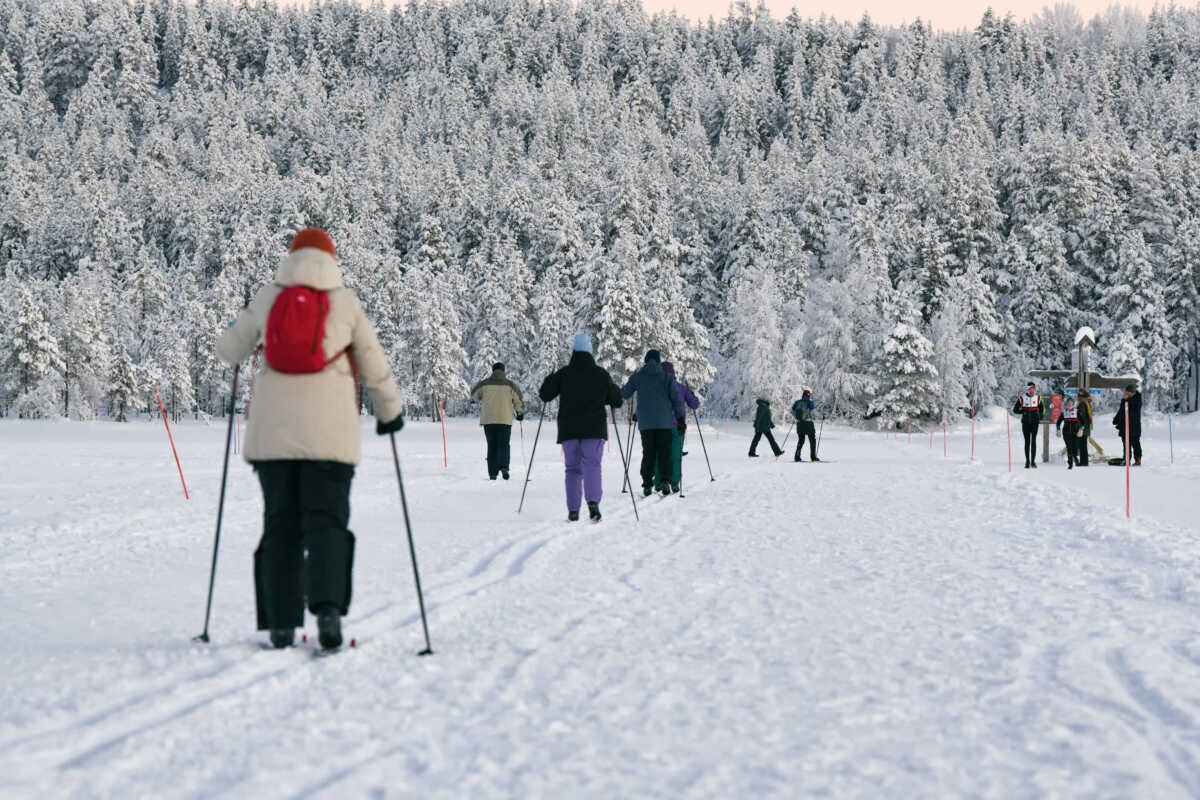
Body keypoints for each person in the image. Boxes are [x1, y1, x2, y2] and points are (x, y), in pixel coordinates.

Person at [216, 228, 404, 651]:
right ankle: (329, 614)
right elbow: (375, 366)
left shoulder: (270, 297)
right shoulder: (345, 303)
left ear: (292, 257)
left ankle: (281, 626)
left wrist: (238, 334)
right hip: (330, 441)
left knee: (280, 524)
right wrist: (390, 412)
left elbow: (228, 349)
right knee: (327, 523)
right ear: (331, 259)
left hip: (273, 440)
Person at [538, 333, 623, 522]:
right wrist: (613, 389)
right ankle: (593, 503)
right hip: (593, 430)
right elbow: (616, 401)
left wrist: (549, 378)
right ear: (590, 352)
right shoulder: (601, 374)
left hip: (569, 430)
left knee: (572, 469)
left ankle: (573, 510)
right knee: (592, 465)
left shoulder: (564, 373)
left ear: (574, 352)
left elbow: (545, 395)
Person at [622, 350, 686, 497]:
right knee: (665, 452)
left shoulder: (638, 377)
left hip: (646, 424)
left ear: (645, 361)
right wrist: (680, 419)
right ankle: (665, 480)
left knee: (648, 452)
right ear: (658, 361)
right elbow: (676, 400)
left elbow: (625, 393)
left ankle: (647, 483)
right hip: (665, 423)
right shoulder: (667, 378)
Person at [470, 362, 525, 481]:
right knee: (504, 444)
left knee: (492, 445)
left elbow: (474, 395)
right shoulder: (510, 385)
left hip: (489, 421)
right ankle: (504, 467)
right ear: (503, 371)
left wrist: (474, 400)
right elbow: (518, 399)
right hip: (505, 421)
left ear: (493, 370)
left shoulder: (485, 384)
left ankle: (493, 473)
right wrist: (519, 413)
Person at [653, 361, 700, 491]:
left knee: (659, 455)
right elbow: (695, 405)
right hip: (676, 427)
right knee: (675, 455)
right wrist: (692, 395)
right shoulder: (682, 388)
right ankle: (674, 481)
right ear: (674, 373)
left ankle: (658, 481)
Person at [1012, 382, 1044, 469]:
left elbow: (1042, 410)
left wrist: (1039, 417)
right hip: (1025, 423)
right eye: (1030, 389)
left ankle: (1033, 462)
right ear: (1027, 389)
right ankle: (1027, 461)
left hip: (1034, 423)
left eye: (1033, 389)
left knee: (1033, 441)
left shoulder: (1038, 398)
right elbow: (1015, 410)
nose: (1032, 391)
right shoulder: (1022, 398)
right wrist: (1023, 411)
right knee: (1027, 442)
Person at [1113, 384, 1143, 466]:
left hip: (1134, 427)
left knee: (1135, 444)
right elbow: (1121, 411)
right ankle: (1126, 459)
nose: (1126, 393)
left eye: (1128, 392)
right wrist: (1116, 419)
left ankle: (1138, 459)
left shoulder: (1136, 400)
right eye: (1126, 392)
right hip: (1125, 427)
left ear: (1132, 392)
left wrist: (1125, 400)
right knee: (1126, 445)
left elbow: (1131, 410)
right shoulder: (1125, 400)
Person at [791, 389, 819, 462]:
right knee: (812, 440)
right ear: (808, 395)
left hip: (799, 424)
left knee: (801, 440)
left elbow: (792, 410)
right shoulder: (809, 402)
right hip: (808, 423)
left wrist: (797, 417)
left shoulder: (797, 402)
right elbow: (813, 410)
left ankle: (797, 457)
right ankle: (813, 457)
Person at [1056, 395, 1083, 469]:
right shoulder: (1064, 412)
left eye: (1071, 403)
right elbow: (1058, 422)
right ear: (1066, 404)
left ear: (1073, 403)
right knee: (1069, 447)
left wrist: (1081, 429)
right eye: (1068, 403)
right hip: (1066, 433)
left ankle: (1075, 457)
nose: (1069, 404)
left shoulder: (1077, 411)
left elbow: (1083, 422)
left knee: (1075, 447)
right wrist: (1058, 429)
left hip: (1075, 432)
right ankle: (1070, 463)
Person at [1076, 392, 1093, 466]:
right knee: (1083, 445)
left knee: (1082, 445)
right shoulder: (1087, 404)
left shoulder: (1082, 404)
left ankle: (1083, 462)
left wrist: (1080, 427)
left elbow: (1081, 416)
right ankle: (1084, 461)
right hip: (1086, 427)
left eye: (1079, 397)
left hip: (1082, 427)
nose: (1078, 398)